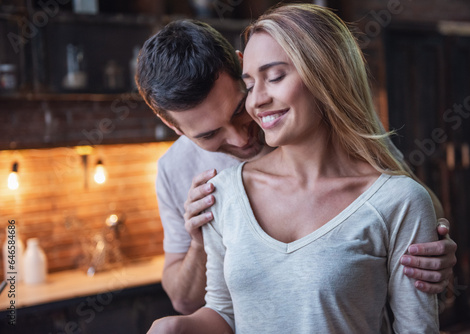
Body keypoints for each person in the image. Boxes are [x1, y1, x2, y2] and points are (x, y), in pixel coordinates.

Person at [147, 4, 442, 333]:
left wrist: (432, 251)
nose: (242, 137)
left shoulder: (369, 168)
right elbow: (210, 306)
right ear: (171, 125)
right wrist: (199, 243)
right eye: (210, 134)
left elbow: (411, 208)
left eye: (236, 110)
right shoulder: (206, 185)